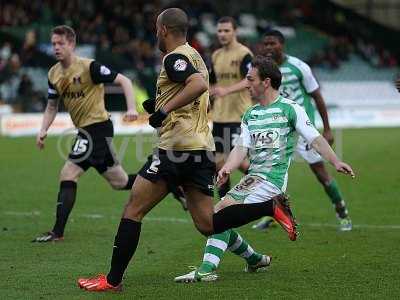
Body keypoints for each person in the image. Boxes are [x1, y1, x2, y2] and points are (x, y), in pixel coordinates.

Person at [77, 10, 296, 292]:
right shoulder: (197, 57)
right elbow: (194, 91)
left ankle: (112, 280)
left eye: (157, 29)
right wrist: (159, 107)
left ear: (165, 30)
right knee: (207, 223)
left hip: (175, 149)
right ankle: (270, 207)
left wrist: (164, 110)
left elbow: (198, 84)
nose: (155, 34)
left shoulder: (174, 57)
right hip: (200, 149)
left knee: (133, 209)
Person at [174, 56, 355, 283]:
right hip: (254, 177)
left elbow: (315, 139)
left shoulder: (291, 109)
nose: (247, 84)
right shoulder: (251, 114)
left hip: (273, 178)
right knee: (218, 216)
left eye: (250, 79)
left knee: (218, 215)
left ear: (266, 82)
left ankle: (207, 268)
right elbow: (241, 146)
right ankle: (255, 259)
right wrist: (227, 168)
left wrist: (335, 161)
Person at [32, 25, 140, 242]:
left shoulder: (88, 67)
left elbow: (124, 81)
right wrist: (43, 129)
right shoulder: (54, 73)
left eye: (61, 43)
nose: (56, 47)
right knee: (119, 181)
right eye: (53, 44)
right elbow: (52, 106)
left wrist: (131, 108)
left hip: (97, 128)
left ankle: (57, 233)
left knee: (68, 173)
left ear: (72, 44)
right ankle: (167, 180)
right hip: (86, 130)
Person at [253, 29, 353, 232]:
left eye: (273, 43)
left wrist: (327, 129)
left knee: (321, 173)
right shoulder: (264, 70)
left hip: (302, 130)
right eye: (266, 44)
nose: (269, 48)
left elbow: (317, 96)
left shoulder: (299, 67)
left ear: (282, 45)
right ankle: (275, 215)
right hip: (279, 132)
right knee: (273, 176)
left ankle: (343, 213)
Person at [209, 16, 253, 198]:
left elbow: (250, 79)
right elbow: (212, 85)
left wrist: (226, 90)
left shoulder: (244, 54)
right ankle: (224, 209)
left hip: (238, 116)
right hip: (219, 116)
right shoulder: (216, 55)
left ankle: (271, 192)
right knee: (219, 164)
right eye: (220, 30)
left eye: (226, 30)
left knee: (240, 163)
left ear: (235, 32)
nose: (223, 34)